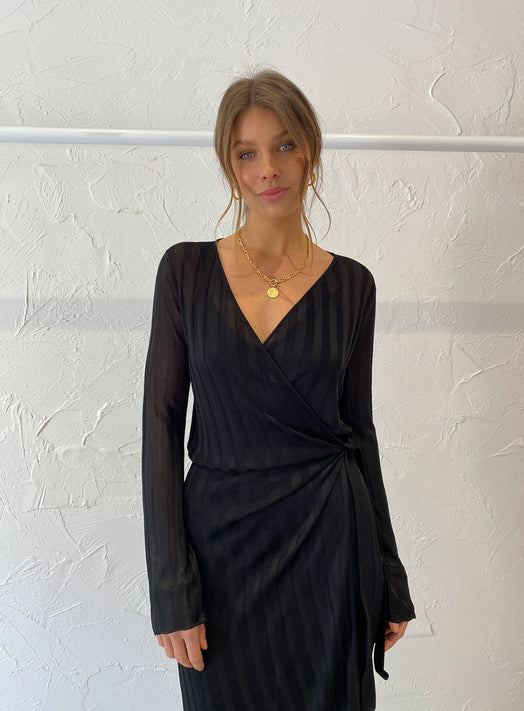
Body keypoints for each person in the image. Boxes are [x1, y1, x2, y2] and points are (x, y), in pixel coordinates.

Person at [141, 68, 416, 711]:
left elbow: (360, 433)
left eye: (285, 145)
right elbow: (160, 425)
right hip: (220, 554)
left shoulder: (352, 286)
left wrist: (390, 575)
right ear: (229, 164)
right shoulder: (185, 271)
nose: (268, 169)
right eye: (247, 153)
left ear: (310, 151)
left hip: (329, 543)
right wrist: (171, 590)